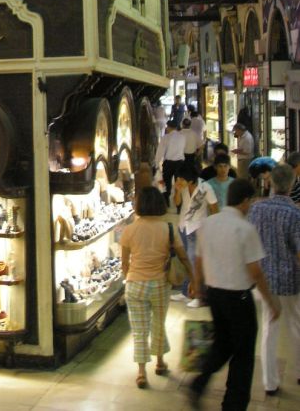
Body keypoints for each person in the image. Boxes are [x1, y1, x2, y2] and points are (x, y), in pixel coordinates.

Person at [187, 179, 280, 411]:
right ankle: (234, 404)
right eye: (252, 201)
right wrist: (271, 302)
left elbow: (198, 260)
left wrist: (198, 287)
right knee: (243, 354)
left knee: (223, 343)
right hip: (239, 298)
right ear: (245, 201)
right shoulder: (245, 229)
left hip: (214, 296)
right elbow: (255, 272)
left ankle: (198, 383)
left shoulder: (208, 223)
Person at [120, 186, 193, 389]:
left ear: (139, 205)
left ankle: (141, 373)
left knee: (139, 330)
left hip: (135, 284)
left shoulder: (129, 230)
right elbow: (183, 257)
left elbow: (124, 263)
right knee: (158, 324)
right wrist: (194, 279)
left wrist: (130, 278)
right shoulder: (168, 228)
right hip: (160, 284)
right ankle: (160, 362)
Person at [247, 163, 300, 396]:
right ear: (291, 184)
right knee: (296, 324)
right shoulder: (295, 214)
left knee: (269, 327)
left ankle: (270, 382)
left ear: (270, 182)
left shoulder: (257, 209)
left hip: (264, 279)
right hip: (291, 280)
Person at [171, 162, 218, 307]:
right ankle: (186, 292)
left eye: (181, 179)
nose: (179, 181)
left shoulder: (205, 187)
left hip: (198, 228)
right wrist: (177, 191)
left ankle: (200, 296)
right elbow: (177, 203)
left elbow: (214, 208)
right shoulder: (182, 187)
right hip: (183, 226)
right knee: (187, 260)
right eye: (178, 178)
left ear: (191, 179)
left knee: (194, 261)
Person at [154, 123, 186, 209]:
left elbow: (160, 152)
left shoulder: (166, 137)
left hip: (168, 163)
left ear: (168, 127)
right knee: (179, 184)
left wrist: (157, 164)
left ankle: (166, 202)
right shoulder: (182, 137)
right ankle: (179, 206)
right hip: (180, 163)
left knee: (166, 183)